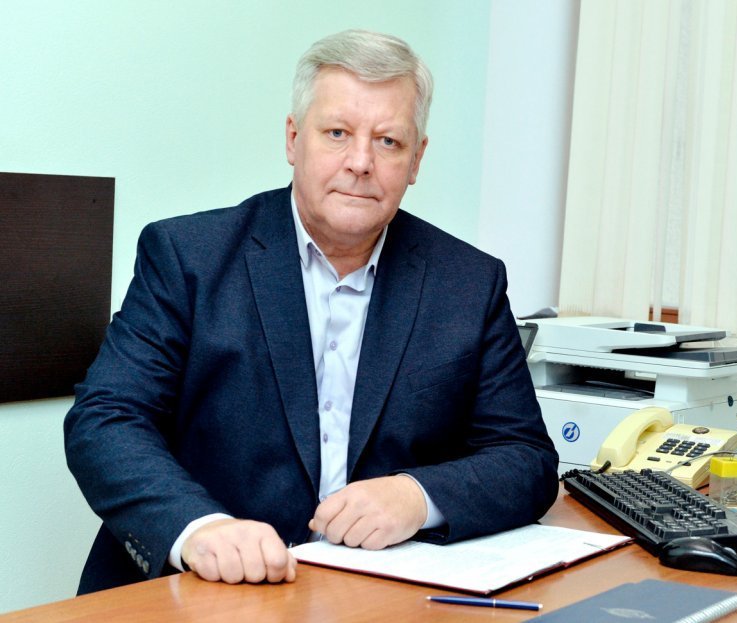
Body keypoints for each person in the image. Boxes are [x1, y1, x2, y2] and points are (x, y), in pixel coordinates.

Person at [64, 29, 559, 594]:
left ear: (416, 159)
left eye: (388, 141)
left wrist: (417, 497)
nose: (361, 163)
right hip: (198, 591)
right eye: (337, 133)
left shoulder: (468, 282)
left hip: (373, 596)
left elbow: (525, 458)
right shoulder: (188, 257)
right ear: (294, 138)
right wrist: (199, 529)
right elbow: (106, 419)